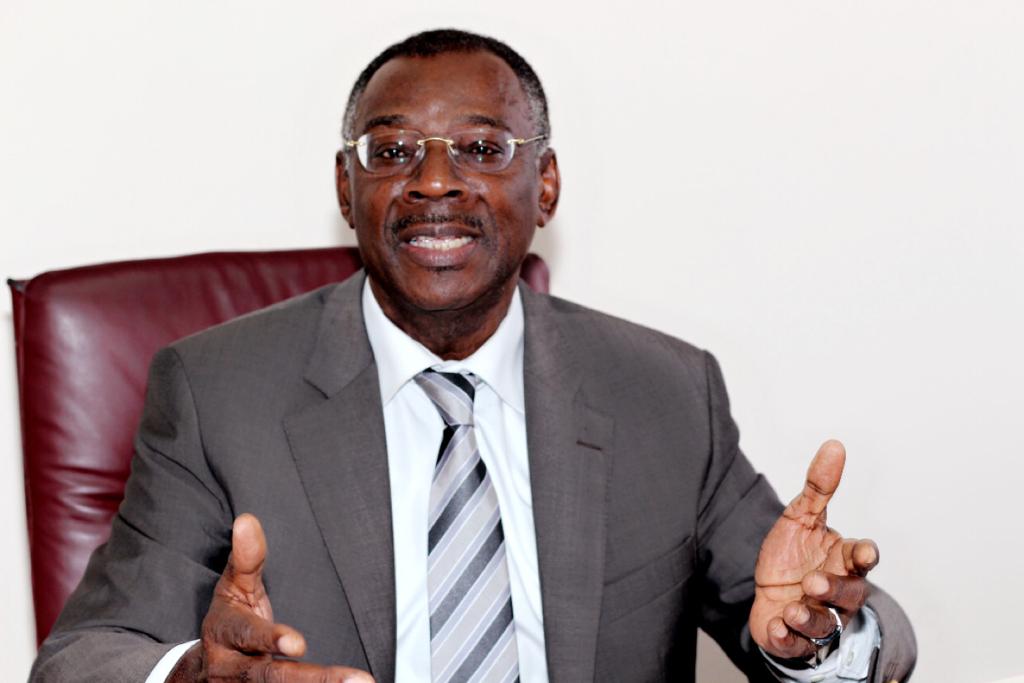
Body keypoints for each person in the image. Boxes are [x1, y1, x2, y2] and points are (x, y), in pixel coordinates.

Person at [30, 29, 916, 683]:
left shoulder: (666, 392)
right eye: (392, 151)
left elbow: (816, 611)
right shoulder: (217, 393)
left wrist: (820, 633)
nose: (435, 181)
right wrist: (193, 675)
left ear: (547, 184)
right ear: (346, 186)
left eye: (483, 149)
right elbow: (82, 658)